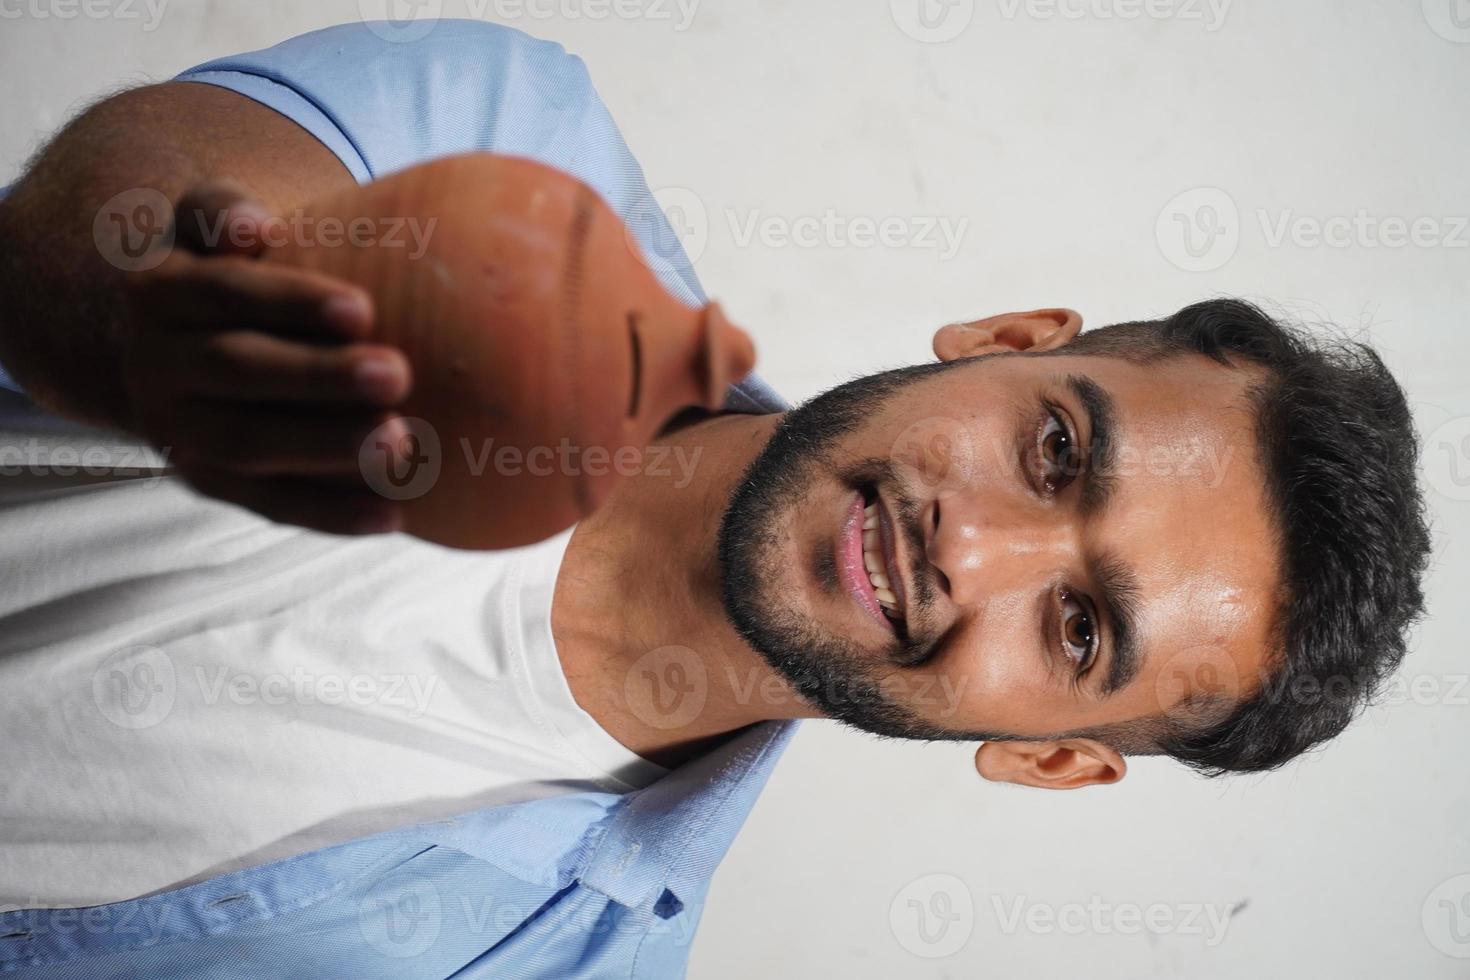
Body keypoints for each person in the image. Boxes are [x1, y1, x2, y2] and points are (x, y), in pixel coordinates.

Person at [0, 19, 1430, 978]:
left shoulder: (545, 963)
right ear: (1005, 341)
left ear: (1053, 758)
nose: (971, 546)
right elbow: (121, 208)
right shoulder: (522, 154)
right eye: (1054, 452)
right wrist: (175, 306)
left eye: (1073, 628)